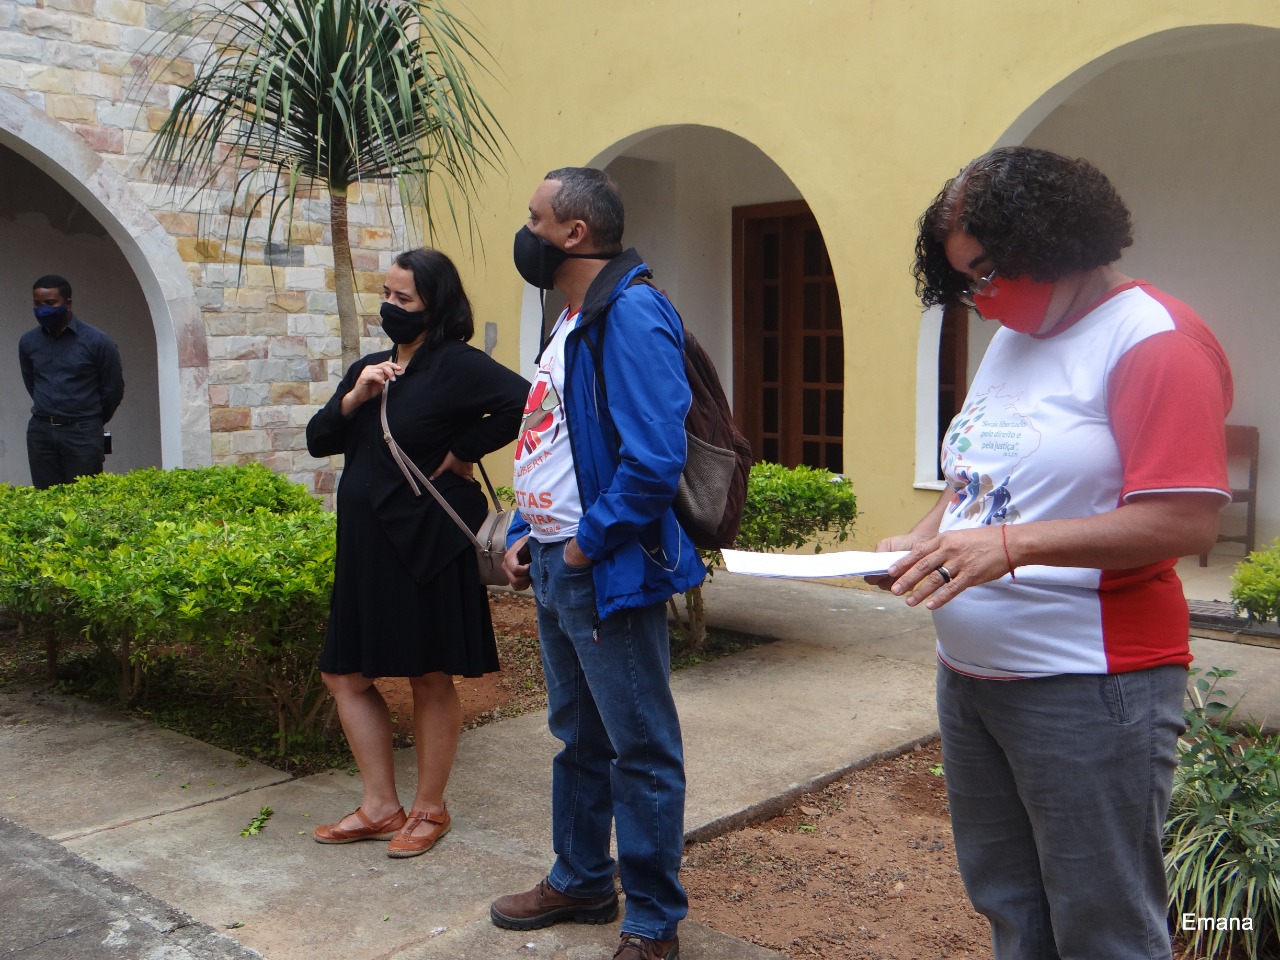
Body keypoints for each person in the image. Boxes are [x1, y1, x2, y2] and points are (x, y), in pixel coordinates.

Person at [870, 147, 1233, 960]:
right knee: (1009, 904)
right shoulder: (1013, 340)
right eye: (966, 280)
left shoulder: (1155, 340)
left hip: (1088, 686)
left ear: (1053, 240)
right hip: (971, 678)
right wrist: (924, 539)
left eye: (989, 271)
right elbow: (979, 480)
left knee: (1104, 926)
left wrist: (1009, 547)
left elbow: (1183, 521)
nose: (982, 298)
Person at [489, 168, 704, 960]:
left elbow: (654, 459)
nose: (527, 233)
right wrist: (526, 529)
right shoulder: (573, 317)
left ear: (573, 233)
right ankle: (581, 877)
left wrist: (585, 542)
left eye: (534, 219)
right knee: (577, 736)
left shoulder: (632, 312)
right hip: (555, 563)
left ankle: (651, 921)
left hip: (602, 569)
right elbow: (553, 438)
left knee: (640, 748)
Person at [305, 247, 528, 858]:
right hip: (366, 548)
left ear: (435, 304)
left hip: (427, 544)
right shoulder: (370, 368)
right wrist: (355, 395)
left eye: (403, 298)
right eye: (386, 294)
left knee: (428, 674)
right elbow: (318, 438)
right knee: (344, 674)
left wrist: (463, 450)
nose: (390, 306)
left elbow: (526, 401)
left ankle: (430, 808)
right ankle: (380, 806)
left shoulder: (455, 365)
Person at [19, 274, 124, 488]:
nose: (42, 310)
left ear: (68, 304)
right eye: (37, 304)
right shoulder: (28, 342)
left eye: (50, 303)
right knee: (46, 500)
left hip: (82, 433)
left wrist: (89, 420)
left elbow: (112, 389)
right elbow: (32, 383)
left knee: (83, 498)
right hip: (41, 433)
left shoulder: (97, 341)